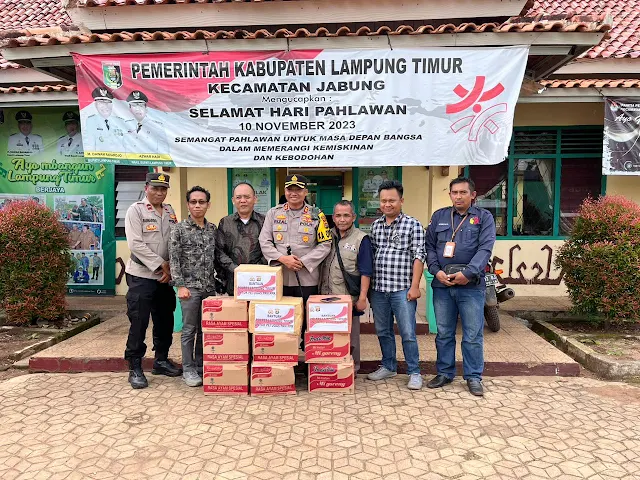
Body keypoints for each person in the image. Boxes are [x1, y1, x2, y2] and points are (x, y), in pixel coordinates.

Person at [425, 177, 496, 397]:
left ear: (472, 195)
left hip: (470, 287)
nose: (458, 196)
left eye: (463, 192)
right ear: (450, 195)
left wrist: (468, 273)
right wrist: (435, 270)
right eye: (454, 192)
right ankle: (444, 373)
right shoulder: (439, 216)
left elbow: (485, 249)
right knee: (444, 333)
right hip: (442, 285)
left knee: (472, 335)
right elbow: (429, 247)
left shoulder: (484, 218)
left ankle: (473, 377)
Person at [367, 180, 426, 390]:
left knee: (407, 332)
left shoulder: (413, 225)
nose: (387, 204)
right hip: (379, 289)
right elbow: (372, 255)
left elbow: (419, 255)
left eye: (391, 200)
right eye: (383, 200)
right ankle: (389, 366)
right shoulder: (375, 226)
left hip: (402, 289)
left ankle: (414, 372)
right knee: (383, 331)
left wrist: (415, 286)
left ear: (401, 200)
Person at [124, 172, 180, 389]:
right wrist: (160, 264)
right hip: (141, 276)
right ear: (146, 188)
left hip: (165, 277)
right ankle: (135, 366)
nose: (159, 192)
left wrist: (171, 267)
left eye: (163, 189)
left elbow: (174, 241)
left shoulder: (169, 211)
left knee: (165, 320)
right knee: (139, 321)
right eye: (155, 188)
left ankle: (161, 360)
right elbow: (135, 244)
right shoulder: (135, 210)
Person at [259, 174, 332, 336]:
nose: (293, 193)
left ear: (305, 192)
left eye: (298, 189)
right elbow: (264, 241)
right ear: (285, 191)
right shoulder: (273, 213)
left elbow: (326, 243)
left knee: (307, 323)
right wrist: (282, 259)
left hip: (306, 279)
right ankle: (285, 350)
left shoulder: (316, 214)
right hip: (279, 278)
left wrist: (303, 262)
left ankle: (307, 351)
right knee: (281, 322)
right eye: (290, 189)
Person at [169, 186, 217, 387]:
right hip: (189, 288)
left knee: (205, 330)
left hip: (209, 288)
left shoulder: (212, 229)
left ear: (208, 205)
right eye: (193, 202)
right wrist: (180, 285)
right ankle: (188, 369)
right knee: (189, 330)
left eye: (201, 202)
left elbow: (216, 257)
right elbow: (173, 259)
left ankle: (200, 365)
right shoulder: (179, 229)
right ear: (188, 204)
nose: (197, 205)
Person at [318, 200, 373, 374]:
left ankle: (351, 371)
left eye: (346, 215)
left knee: (351, 338)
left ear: (353, 217)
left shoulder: (361, 239)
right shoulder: (326, 236)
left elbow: (366, 271)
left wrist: (362, 298)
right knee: (329, 337)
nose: (342, 219)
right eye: (338, 215)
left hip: (348, 299)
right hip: (325, 297)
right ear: (333, 218)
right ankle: (330, 370)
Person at [216, 182, 266, 296]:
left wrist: (254, 270)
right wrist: (236, 269)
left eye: (247, 197)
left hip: (260, 281)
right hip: (233, 281)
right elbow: (219, 252)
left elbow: (270, 248)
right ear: (233, 200)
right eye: (238, 197)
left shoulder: (265, 221)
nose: (243, 200)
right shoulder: (225, 222)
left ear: (255, 199)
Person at [124, 90, 169, 154]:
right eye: (134, 106)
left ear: (146, 109)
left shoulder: (157, 126)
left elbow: (164, 151)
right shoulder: (125, 124)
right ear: (130, 109)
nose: (137, 109)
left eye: (141, 106)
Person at [84, 86, 126, 153]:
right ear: (96, 105)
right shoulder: (91, 121)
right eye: (101, 103)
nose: (105, 106)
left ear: (112, 105)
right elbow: (90, 144)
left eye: (107, 102)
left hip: (120, 158)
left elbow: (126, 145)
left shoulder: (120, 121)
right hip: (100, 158)